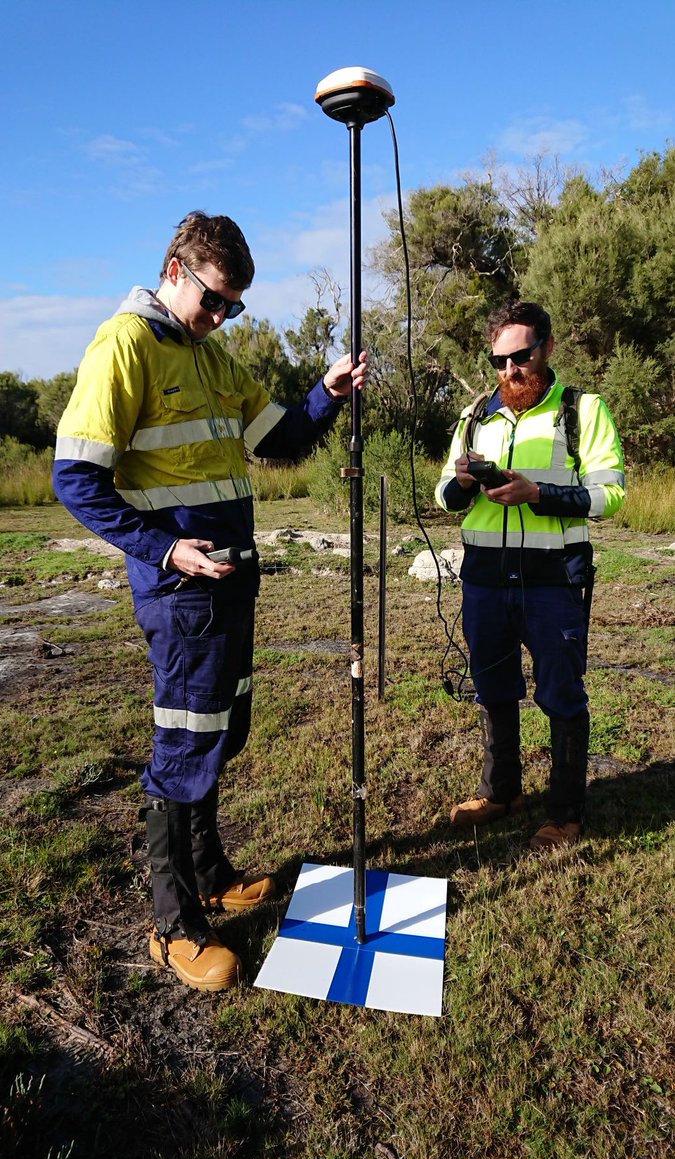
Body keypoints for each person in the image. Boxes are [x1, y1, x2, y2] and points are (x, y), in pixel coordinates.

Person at [54, 211, 368, 992]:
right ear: (174, 271)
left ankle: (211, 873)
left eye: (233, 306)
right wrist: (165, 548)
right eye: (214, 300)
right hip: (180, 593)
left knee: (222, 733)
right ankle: (173, 926)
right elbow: (75, 478)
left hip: (233, 584)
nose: (221, 316)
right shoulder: (124, 344)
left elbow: (280, 440)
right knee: (184, 745)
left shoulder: (213, 355)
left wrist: (324, 392)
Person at [435, 300, 624, 850]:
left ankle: (565, 813)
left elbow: (608, 494)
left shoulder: (583, 411)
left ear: (547, 347)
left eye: (521, 356)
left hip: (553, 582)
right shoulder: (475, 415)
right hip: (485, 580)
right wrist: (467, 481)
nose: (510, 371)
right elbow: (446, 498)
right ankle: (502, 793)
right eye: (499, 360)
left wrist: (537, 494)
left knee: (562, 693)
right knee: (493, 687)